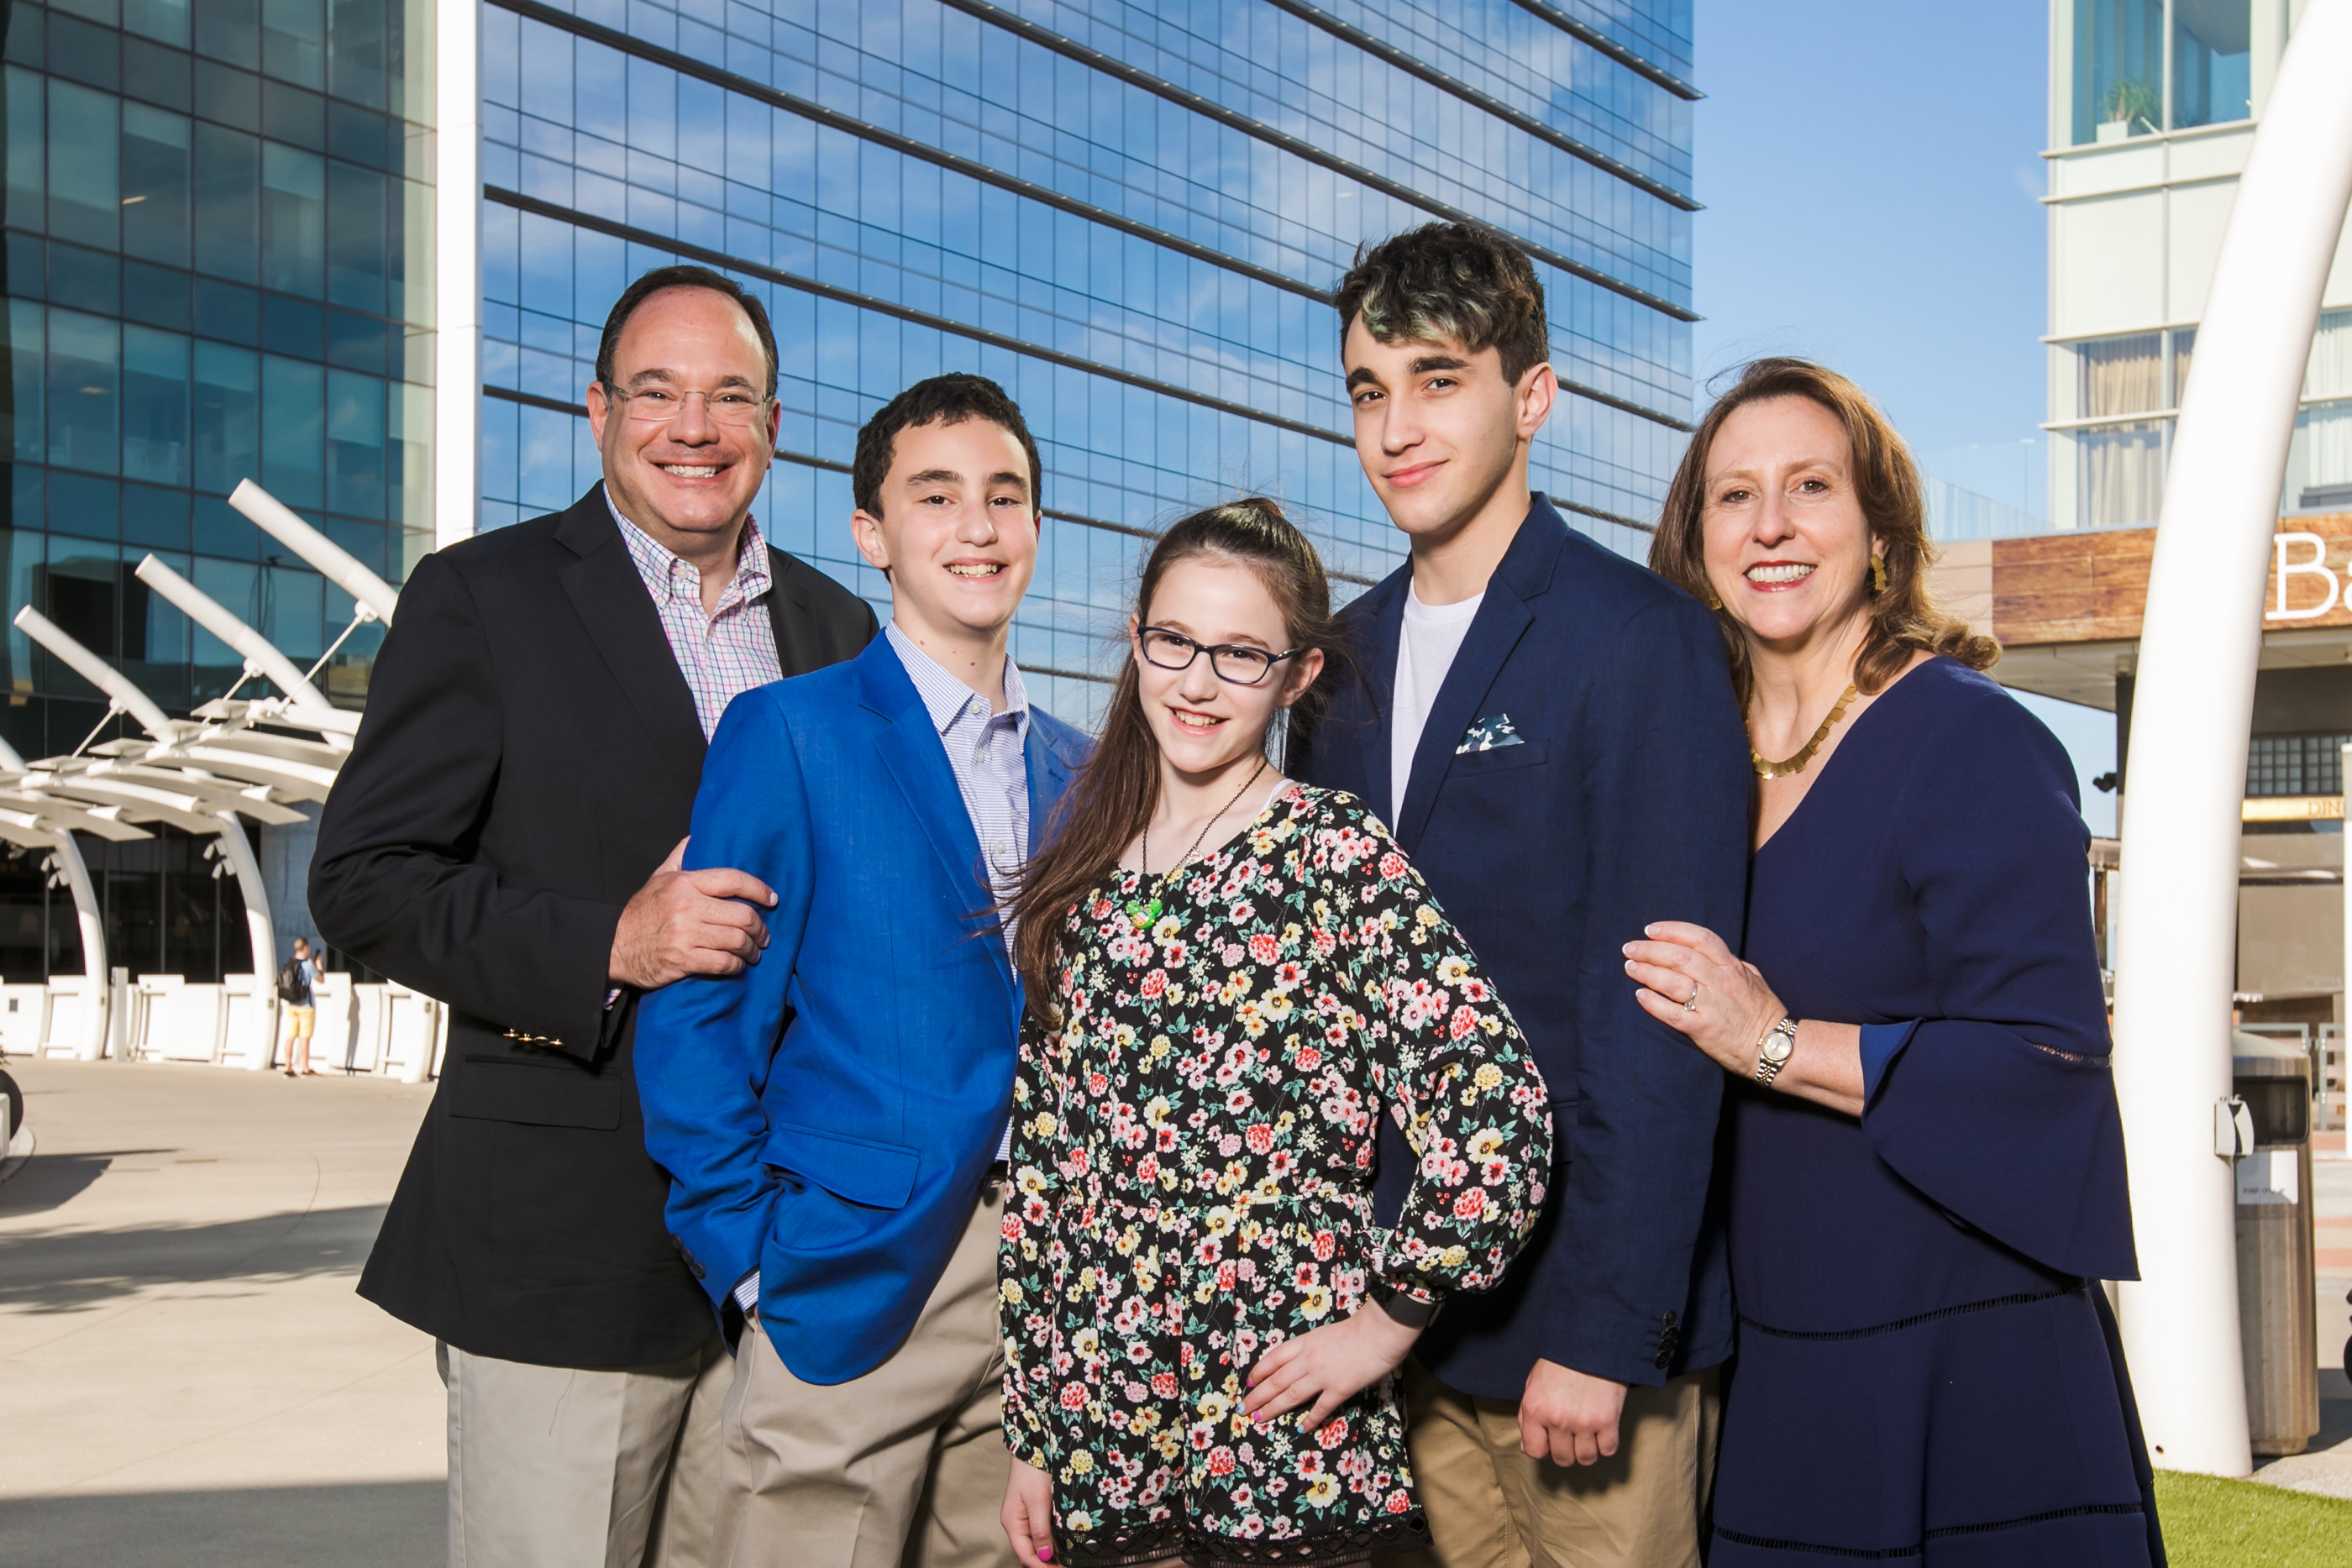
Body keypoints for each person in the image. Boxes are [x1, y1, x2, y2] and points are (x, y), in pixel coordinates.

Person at [311, 264, 878, 1568]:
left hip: (781, 1262)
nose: (695, 426)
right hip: (561, 1241)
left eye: (730, 394)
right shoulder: (485, 597)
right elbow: (363, 879)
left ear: (775, 425)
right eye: (658, 392)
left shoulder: (839, 626)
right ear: (597, 412)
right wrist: (611, 942)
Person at [1625, 358, 2163, 1565]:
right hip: (1768, 1356)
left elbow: (2050, 1057)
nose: (1769, 525)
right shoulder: (1690, 762)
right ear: (1695, 535)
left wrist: (1772, 1038)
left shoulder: (1968, 738)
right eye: (1734, 495)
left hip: (1966, 1356)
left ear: (1877, 527)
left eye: (1810, 485)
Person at [1291, 223, 1750, 1566]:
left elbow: (1659, 1016)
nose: (1395, 426)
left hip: (1575, 1337)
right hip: (1396, 1329)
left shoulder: (1641, 637)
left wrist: (1606, 1329)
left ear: (1531, 395)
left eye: (1438, 379)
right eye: (1369, 389)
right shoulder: (1338, 665)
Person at [996, 500, 1554, 1568]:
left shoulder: (1333, 854)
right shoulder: (1085, 874)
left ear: (1297, 675)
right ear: (1137, 640)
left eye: (1241, 654)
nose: (1196, 681)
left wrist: (1385, 1322)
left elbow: (1497, 1108)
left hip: (1284, 1443)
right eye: (1174, 641)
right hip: (1106, 1442)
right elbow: (1047, 1181)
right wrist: (1035, 1431)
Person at [633, 373, 1090, 1568]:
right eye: (935, 497)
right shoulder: (789, 731)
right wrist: (750, 1265)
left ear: (1038, 525)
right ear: (872, 534)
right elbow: (697, 1022)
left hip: (1042, 1299)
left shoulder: (1089, 770)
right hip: (848, 1274)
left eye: (1006, 496)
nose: (977, 526)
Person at [278, 936, 318, 1077]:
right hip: (306, 1005)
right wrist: (318, 964)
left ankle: (288, 1066)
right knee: (304, 1038)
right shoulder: (308, 965)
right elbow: (320, 979)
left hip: (291, 1005)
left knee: (290, 1036)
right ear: (306, 948)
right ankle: (305, 1067)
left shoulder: (289, 964)